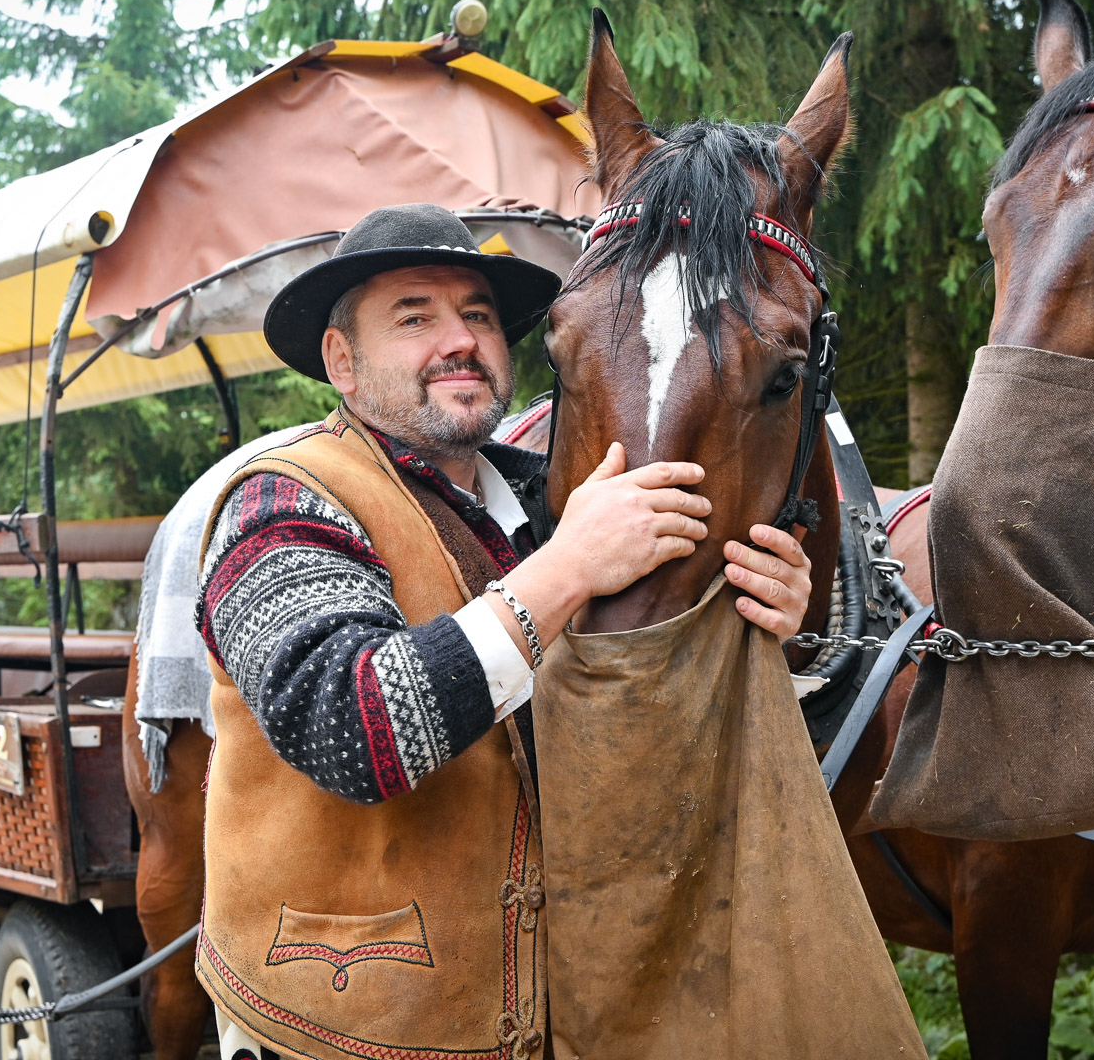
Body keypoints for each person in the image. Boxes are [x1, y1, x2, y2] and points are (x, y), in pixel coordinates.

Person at [191, 203, 815, 1060]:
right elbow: (352, 730)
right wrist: (568, 570)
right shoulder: (281, 499)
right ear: (341, 360)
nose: (461, 341)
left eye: (478, 315)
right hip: (336, 1027)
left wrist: (770, 619)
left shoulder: (555, 502)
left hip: (564, 1013)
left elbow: (649, 715)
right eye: (414, 318)